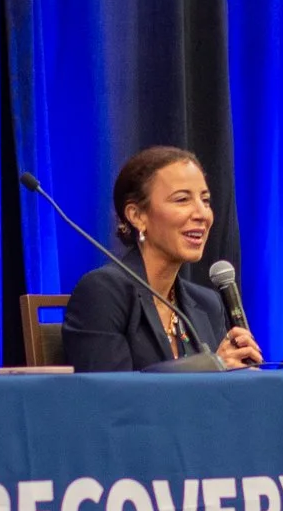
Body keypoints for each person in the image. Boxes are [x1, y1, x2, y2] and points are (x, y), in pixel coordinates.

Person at [63, 146, 263, 372]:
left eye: (205, 200)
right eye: (182, 200)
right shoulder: (103, 292)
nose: (202, 214)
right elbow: (111, 396)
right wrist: (210, 368)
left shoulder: (207, 303)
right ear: (137, 216)